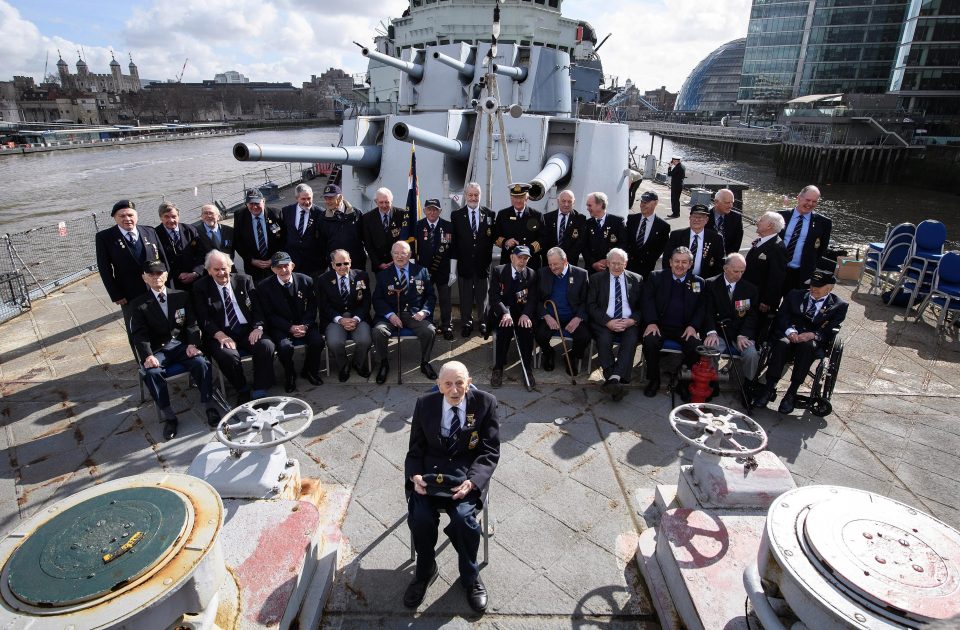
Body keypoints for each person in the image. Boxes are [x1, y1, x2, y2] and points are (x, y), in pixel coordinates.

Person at [404, 361, 500, 614]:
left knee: (462, 520)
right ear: (439, 385)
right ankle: (425, 571)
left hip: (465, 475)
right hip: (431, 475)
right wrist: (414, 477)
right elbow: (415, 450)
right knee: (421, 517)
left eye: (460, 383)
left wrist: (474, 481)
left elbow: (490, 451)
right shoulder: (425, 404)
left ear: (469, 382)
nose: (455, 390)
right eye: (448, 384)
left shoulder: (486, 403)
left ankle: (470, 576)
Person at [128, 260, 217, 440]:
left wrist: (193, 344)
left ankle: (209, 405)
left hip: (182, 346)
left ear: (166, 276)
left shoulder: (181, 296)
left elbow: (192, 323)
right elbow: (139, 335)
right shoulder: (138, 305)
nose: (156, 277)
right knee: (151, 372)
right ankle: (169, 416)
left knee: (201, 362)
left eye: (159, 273)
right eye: (151, 274)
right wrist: (148, 356)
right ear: (144, 278)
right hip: (158, 351)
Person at [753, 270, 848, 414]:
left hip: (811, 341)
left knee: (806, 347)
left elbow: (830, 329)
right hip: (790, 334)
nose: (813, 289)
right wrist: (790, 331)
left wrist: (813, 335)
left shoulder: (839, 305)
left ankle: (792, 392)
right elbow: (782, 316)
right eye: (812, 285)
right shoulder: (795, 295)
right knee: (781, 343)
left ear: (829, 288)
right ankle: (768, 388)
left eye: (819, 286)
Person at [192, 250, 276, 404]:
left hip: (247, 329)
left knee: (266, 345)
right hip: (221, 332)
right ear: (209, 270)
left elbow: (258, 308)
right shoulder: (201, 287)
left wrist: (258, 327)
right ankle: (242, 388)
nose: (221, 273)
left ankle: (260, 388)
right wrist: (219, 335)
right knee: (227, 355)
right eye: (216, 269)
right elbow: (203, 318)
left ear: (230, 267)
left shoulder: (245, 280)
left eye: (224, 268)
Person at [642, 246, 707, 399]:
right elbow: (647, 301)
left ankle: (683, 383)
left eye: (684, 262)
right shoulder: (656, 277)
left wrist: (693, 326)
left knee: (695, 347)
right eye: (676, 261)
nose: (680, 265)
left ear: (690, 264)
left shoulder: (698, 282)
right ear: (670, 262)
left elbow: (701, 308)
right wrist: (651, 322)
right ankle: (654, 380)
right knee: (650, 342)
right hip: (659, 325)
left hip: (684, 328)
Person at [257, 251, 325, 392]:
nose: (283, 270)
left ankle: (310, 371)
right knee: (284, 347)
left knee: (317, 341)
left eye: (286, 265)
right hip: (281, 327)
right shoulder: (264, 287)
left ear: (292, 265)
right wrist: (289, 327)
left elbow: (312, 307)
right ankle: (290, 374)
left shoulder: (306, 280)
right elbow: (269, 315)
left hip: (304, 323)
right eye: (279, 267)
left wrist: (305, 326)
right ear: (273, 269)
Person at [371, 240, 438, 384]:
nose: (399, 256)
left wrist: (424, 312)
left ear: (409, 255)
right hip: (391, 315)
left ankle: (425, 363)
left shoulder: (421, 271)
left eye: (403, 253)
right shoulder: (383, 275)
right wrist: (390, 315)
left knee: (429, 331)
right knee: (378, 331)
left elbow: (431, 296)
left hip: (414, 314)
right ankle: (383, 363)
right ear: (391, 254)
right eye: (396, 253)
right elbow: (377, 299)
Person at [95, 199, 167, 324]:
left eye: (130, 215)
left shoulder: (149, 231)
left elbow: (162, 259)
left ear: (136, 216)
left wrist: (166, 282)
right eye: (122, 216)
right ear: (115, 218)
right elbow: (104, 269)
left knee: (161, 322)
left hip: (155, 287)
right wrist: (115, 294)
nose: (127, 219)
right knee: (136, 327)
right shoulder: (105, 237)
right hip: (129, 293)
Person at [587, 248, 643, 400]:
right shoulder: (596, 279)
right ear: (607, 263)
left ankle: (613, 379)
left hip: (628, 322)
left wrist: (632, 320)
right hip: (605, 322)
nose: (616, 267)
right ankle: (617, 380)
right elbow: (591, 305)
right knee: (604, 339)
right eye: (613, 263)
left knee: (631, 339)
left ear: (626, 263)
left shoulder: (636, 279)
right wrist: (608, 322)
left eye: (620, 263)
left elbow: (643, 306)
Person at [703, 253, 760, 383]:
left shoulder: (750, 289)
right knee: (710, 350)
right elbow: (707, 312)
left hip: (739, 333)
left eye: (742, 271)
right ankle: (709, 383)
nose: (739, 275)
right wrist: (711, 332)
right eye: (735, 271)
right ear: (725, 268)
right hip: (718, 332)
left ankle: (747, 384)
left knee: (751, 354)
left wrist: (743, 334)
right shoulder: (711, 284)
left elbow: (752, 315)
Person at [317, 249, 373, 382]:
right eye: (338, 264)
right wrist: (340, 319)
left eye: (346, 263)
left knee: (365, 340)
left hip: (357, 317)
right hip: (335, 319)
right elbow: (324, 306)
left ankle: (358, 364)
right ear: (332, 265)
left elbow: (366, 302)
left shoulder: (361, 276)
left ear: (350, 262)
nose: (343, 267)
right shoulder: (323, 280)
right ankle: (344, 366)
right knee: (334, 342)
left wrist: (356, 318)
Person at [450, 182, 496, 338]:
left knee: (483, 298)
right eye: (470, 195)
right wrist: (453, 269)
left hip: (483, 265)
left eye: (476, 195)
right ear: (465, 196)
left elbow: (492, 238)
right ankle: (466, 324)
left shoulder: (490, 214)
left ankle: (483, 323)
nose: (473, 198)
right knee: (466, 298)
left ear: (480, 196)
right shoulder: (456, 215)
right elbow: (455, 243)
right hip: (465, 265)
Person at [488, 245, 537, 388]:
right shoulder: (499, 271)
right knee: (504, 330)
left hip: (521, 313)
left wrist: (526, 315)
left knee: (527, 331)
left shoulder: (531, 274)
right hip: (503, 312)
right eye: (519, 258)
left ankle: (527, 368)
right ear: (511, 257)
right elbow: (494, 297)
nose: (522, 261)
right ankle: (498, 368)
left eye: (525, 259)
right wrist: (505, 313)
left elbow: (533, 298)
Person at [535, 247, 590, 376]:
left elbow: (586, 301)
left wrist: (578, 318)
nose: (552, 268)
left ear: (565, 261)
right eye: (550, 264)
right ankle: (549, 353)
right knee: (540, 335)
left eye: (555, 264)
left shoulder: (581, 274)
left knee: (585, 337)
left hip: (572, 316)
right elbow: (536, 299)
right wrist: (546, 316)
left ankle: (571, 356)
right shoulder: (543, 273)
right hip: (551, 315)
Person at [414, 198, 457, 341]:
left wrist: (452, 271)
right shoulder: (418, 226)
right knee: (425, 298)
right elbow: (413, 251)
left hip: (444, 270)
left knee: (445, 299)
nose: (432, 212)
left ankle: (447, 326)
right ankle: (428, 324)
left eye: (435, 209)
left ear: (440, 211)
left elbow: (453, 251)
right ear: (425, 210)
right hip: (424, 272)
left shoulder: (448, 226)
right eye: (429, 209)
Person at [780, 185, 831, 295]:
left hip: (801, 274)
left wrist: (810, 266)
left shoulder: (824, 223)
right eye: (807, 200)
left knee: (795, 308)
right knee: (768, 305)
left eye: (814, 201)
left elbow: (822, 249)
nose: (810, 204)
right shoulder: (781, 215)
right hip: (778, 269)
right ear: (798, 198)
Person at [744, 211, 787, 341]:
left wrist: (767, 301)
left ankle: (753, 349)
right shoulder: (761, 241)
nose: (758, 221)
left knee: (755, 325)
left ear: (770, 226)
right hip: (747, 294)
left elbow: (776, 278)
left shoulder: (777, 247)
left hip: (760, 299)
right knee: (742, 317)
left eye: (761, 220)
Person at [233, 188, 284, 282]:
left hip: (275, 265)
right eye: (251, 204)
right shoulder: (240, 216)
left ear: (263, 201)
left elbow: (283, 239)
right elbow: (238, 241)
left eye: (257, 203)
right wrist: (251, 260)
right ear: (246, 204)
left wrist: (275, 259)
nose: (254, 207)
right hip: (252, 267)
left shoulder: (276, 214)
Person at [662, 204, 724, 280]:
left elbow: (720, 264)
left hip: (704, 281)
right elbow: (667, 259)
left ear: (706, 220)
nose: (697, 220)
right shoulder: (676, 235)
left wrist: (709, 283)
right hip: (677, 279)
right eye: (694, 216)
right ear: (690, 218)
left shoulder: (716, 238)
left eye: (700, 217)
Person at [361, 187, 414, 274]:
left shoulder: (402, 215)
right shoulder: (367, 218)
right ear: (376, 202)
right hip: (380, 266)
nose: (384, 205)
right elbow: (368, 244)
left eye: (387, 202)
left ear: (391, 201)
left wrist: (397, 260)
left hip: (400, 263)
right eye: (381, 202)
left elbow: (408, 239)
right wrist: (379, 263)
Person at [155, 201, 205, 290]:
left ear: (178, 216)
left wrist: (195, 273)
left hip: (195, 280)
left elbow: (201, 253)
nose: (171, 220)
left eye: (174, 216)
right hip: (172, 282)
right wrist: (177, 274)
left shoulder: (190, 230)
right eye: (166, 217)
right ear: (160, 218)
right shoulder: (155, 234)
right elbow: (157, 260)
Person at [493, 183, 545, 269]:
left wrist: (530, 248)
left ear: (527, 198)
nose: (518, 201)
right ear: (511, 198)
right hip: (508, 262)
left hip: (530, 263)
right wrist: (506, 242)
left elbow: (543, 238)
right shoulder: (503, 215)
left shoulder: (537, 215)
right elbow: (495, 236)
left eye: (521, 197)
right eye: (515, 197)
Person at [317, 183, 366, 271]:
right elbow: (322, 242)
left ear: (340, 197)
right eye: (326, 198)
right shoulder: (322, 218)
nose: (327, 201)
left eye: (331, 198)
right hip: (336, 265)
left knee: (359, 284)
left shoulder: (356, 214)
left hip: (356, 263)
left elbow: (365, 237)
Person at [280, 183, 325, 275]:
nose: (307, 202)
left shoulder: (320, 213)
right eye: (303, 199)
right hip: (292, 264)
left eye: (309, 198)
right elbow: (283, 234)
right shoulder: (286, 211)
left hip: (314, 264)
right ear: (297, 198)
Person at [626, 190, 671, 279]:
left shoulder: (663, 226)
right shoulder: (631, 219)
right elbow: (626, 240)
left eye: (646, 202)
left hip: (646, 270)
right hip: (628, 266)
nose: (642, 205)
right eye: (642, 202)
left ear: (655, 203)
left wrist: (649, 260)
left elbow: (661, 248)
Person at [582, 191, 626, 273]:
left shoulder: (617, 222)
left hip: (612, 269)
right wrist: (593, 263)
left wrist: (608, 261)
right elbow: (584, 247)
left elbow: (623, 244)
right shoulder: (587, 223)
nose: (587, 208)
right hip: (592, 270)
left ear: (600, 205)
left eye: (589, 205)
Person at [542, 189, 587, 267]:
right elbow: (544, 241)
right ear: (558, 201)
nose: (566, 204)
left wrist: (564, 260)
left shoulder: (580, 219)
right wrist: (552, 258)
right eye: (563, 201)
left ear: (574, 202)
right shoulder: (547, 218)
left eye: (569, 201)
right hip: (549, 263)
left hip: (570, 263)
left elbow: (580, 243)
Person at [705, 188, 743, 255]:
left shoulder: (737, 218)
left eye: (732, 202)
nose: (730, 206)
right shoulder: (704, 216)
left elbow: (737, 243)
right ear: (716, 202)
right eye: (727, 203)